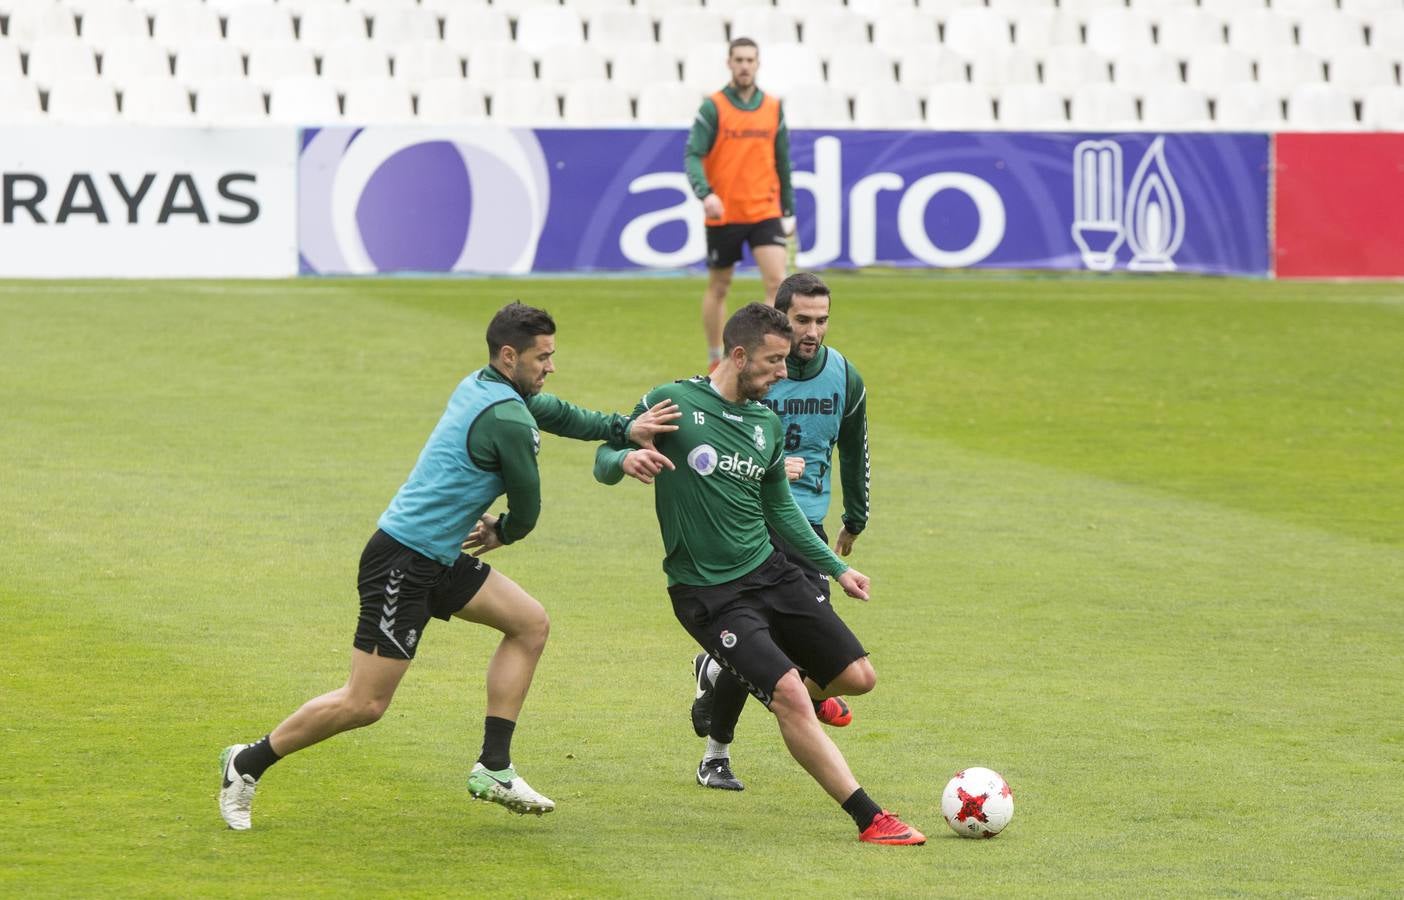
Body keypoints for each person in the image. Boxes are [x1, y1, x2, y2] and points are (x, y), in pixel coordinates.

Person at [218, 301, 678, 830]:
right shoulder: (506, 418)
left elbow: (558, 412)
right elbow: (527, 506)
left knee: (529, 624)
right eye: (542, 357)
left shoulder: (487, 386)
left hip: (437, 557)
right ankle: (245, 763)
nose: (550, 366)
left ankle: (495, 766)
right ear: (510, 356)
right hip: (402, 562)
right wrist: (504, 530)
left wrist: (624, 427)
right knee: (365, 703)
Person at [594, 303, 924, 845]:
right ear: (740, 355)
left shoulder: (765, 423)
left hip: (770, 571)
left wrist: (838, 569)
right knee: (793, 696)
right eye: (773, 362)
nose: (781, 374)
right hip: (708, 593)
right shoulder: (672, 402)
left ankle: (729, 676)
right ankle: (871, 818)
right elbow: (606, 454)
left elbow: (782, 513)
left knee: (858, 678)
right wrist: (624, 462)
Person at [689, 272, 870, 790]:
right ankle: (717, 753)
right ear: (780, 315)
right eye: (802, 320)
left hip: (806, 522)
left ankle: (720, 675)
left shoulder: (844, 377)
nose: (812, 331)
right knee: (769, 643)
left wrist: (855, 519)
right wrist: (763, 462)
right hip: (752, 517)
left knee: (769, 650)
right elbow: (713, 431)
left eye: (821, 320)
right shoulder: (754, 367)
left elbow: (854, 449)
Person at [684, 37, 796, 372]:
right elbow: (693, 155)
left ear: (758, 64)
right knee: (720, 285)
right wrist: (706, 193)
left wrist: (787, 208)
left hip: (764, 209)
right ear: (729, 63)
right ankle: (715, 356)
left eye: (750, 60)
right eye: (739, 60)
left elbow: (783, 160)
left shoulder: (773, 107)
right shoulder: (714, 107)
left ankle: (760, 353)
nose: (745, 65)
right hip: (726, 212)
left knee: (777, 283)